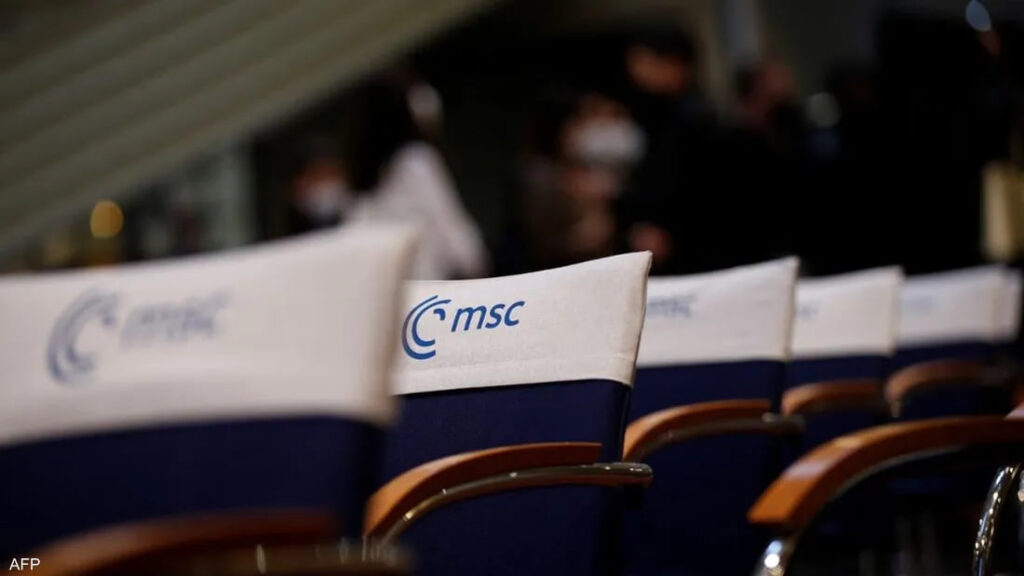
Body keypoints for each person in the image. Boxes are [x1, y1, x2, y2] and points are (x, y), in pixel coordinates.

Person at [343, 77, 488, 280]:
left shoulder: (360, 182)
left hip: (388, 287)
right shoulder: (415, 161)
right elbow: (445, 218)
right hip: (426, 282)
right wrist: (472, 259)